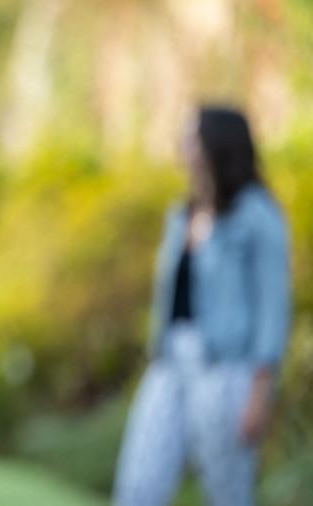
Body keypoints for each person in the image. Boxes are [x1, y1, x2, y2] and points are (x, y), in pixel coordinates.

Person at [113, 107, 290, 506]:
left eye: (192, 139)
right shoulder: (181, 214)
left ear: (217, 145)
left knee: (227, 492)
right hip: (170, 361)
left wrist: (260, 392)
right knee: (139, 484)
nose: (183, 147)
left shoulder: (257, 215)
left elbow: (272, 309)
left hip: (226, 368)